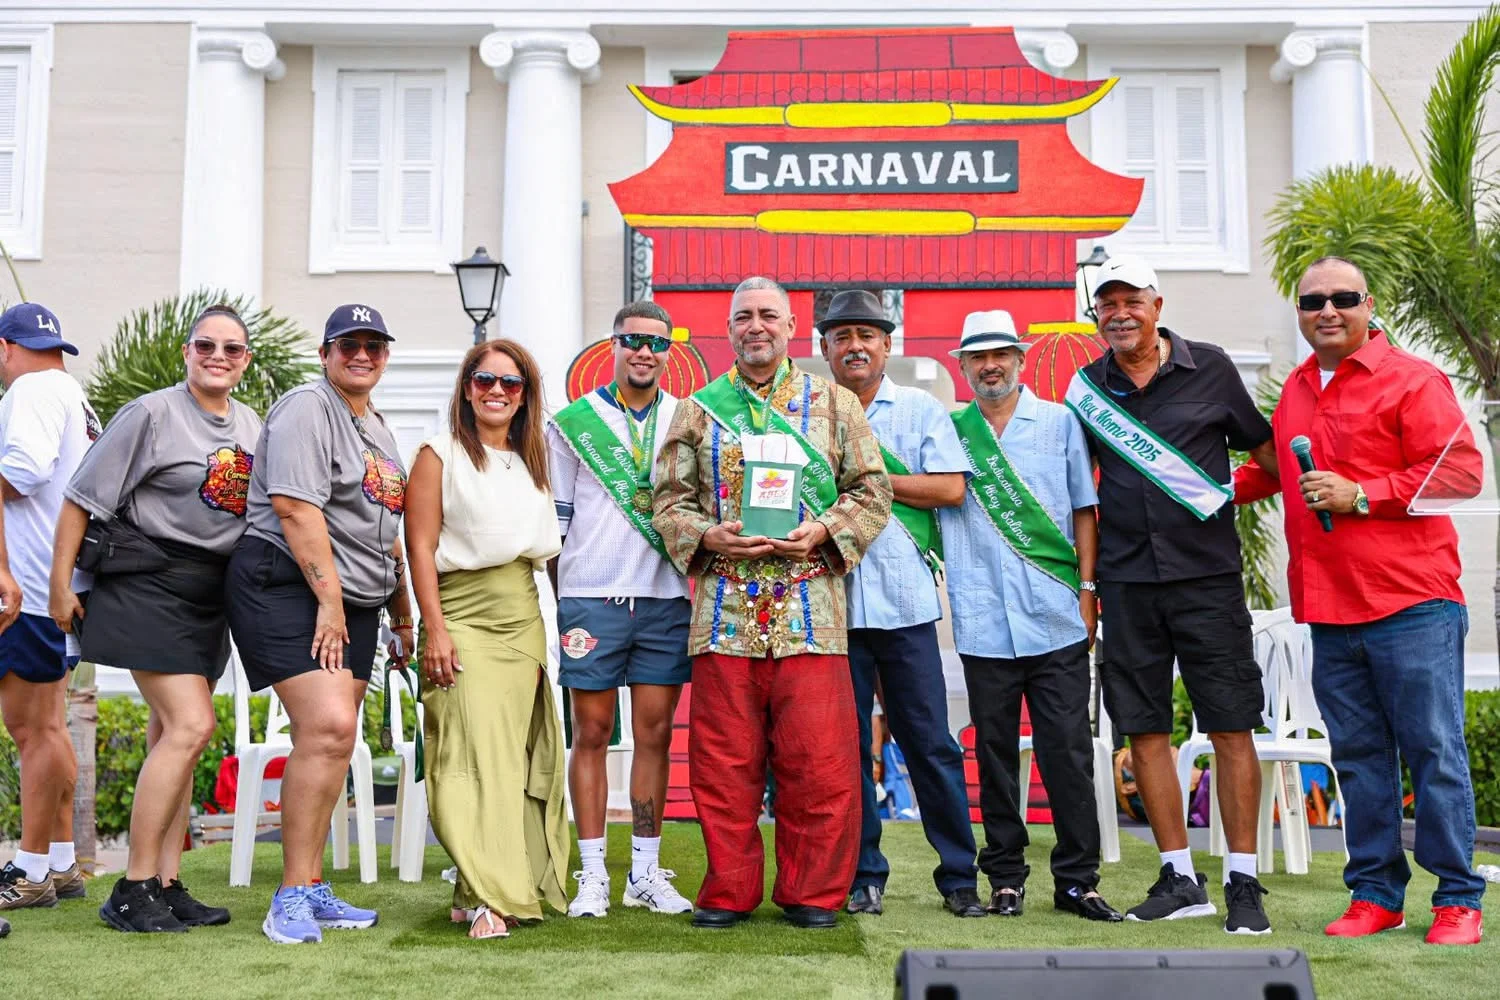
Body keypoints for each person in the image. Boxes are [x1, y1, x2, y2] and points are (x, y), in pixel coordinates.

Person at [1234, 256, 1486, 946]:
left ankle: (1458, 899)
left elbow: (1461, 472)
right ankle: (1376, 894)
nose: (1328, 310)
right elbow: (1274, 473)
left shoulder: (1413, 379)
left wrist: (1366, 494)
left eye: (1343, 298)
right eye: (1313, 300)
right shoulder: (1295, 391)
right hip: (1331, 608)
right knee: (1357, 757)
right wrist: (1194, 491)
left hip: (1412, 603)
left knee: (1433, 752)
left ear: (1367, 304)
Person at [653, 276, 891, 930]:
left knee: (819, 765)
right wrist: (707, 534)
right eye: (743, 317)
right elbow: (667, 502)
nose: (755, 326)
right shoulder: (698, 410)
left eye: (768, 316)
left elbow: (873, 492)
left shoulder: (835, 403)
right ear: (728, 331)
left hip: (813, 610)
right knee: (724, 769)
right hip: (724, 614)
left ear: (791, 328)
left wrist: (823, 530)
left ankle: (813, 893)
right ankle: (728, 893)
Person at [1065, 255, 1279, 934]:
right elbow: (1083, 498)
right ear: (1096, 314)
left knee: (1230, 724)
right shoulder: (1086, 388)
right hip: (1128, 584)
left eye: (1132, 300)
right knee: (1145, 728)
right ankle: (1180, 877)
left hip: (1207, 580)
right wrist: (1089, 585)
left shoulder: (1210, 368)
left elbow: (1265, 460)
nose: (1119, 313)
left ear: (1157, 304)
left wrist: (1218, 495)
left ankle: (1243, 881)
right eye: (1107, 304)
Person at [50, 305, 260, 933]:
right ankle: (132, 887)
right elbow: (80, 500)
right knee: (192, 725)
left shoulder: (250, 423)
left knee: (173, 736)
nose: (217, 356)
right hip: (148, 582)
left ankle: (167, 882)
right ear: (187, 352)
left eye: (231, 348)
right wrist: (60, 586)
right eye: (205, 346)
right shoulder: (150, 414)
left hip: (208, 593)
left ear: (245, 361)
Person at [225, 304, 413, 945]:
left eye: (375, 345)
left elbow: (386, 531)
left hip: (357, 597)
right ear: (326, 353)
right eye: (349, 345)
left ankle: (309, 884)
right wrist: (330, 604)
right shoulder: (308, 406)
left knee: (334, 740)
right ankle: (289, 897)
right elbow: (295, 509)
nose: (363, 355)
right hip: (287, 582)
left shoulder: (378, 426)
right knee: (328, 726)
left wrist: (402, 611)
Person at [940, 310, 1122, 923]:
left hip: (1056, 614)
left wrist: (1089, 588)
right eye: (977, 357)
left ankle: (1077, 880)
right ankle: (1006, 878)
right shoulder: (949, 430)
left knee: (1066, 751)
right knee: (992, 753)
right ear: (962, 366)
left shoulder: (1059, 424)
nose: (990, 366)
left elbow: (1084, 508)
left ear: (1019, 359)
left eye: (1001, 354)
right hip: (982, 617)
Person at [815, 289, 982, 919]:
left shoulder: (917, 409)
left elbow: (949, 488)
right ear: (824, 347)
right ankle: (864, 875)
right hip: (830, 608)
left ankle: (959, 877)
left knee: (930, 743)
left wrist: (867, 481)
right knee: (846, 748)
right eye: (842, 336)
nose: (855, 346)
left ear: (888, 344)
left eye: (868, 334)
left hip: (907, 604)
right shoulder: (808, 412)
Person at [405, 338, 568, 941]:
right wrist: (435, 630)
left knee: (510, 759)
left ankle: (473, 886)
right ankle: (488, 897)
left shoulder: (534, 459)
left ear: (526, 395)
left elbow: (541, 552)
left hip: (523, 617)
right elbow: (417, 547)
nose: (496, 392)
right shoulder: (437, 453)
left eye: (511, 383)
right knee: (467, 756)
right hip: (461, 615)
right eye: (484, 380)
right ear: (466, 387)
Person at [547, 302, 693, 918]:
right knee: (592, 734)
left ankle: (644, 870)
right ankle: (591, 876)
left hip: (666, 596)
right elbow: (556, 522)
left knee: (655, 735)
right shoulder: (571, 423)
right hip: (592, 597)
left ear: (668, 355)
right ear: (613, 346)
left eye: (656, 344)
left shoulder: (687, 420)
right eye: (633, 341)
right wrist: (568, 597)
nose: (644, 352)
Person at [0, 303, 97, 917]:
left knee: (31, 731)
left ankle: (32, 869)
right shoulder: (72, 391)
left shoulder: (32, 389)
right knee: (49, 728)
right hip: (58, 588)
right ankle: (59, 862)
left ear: (6, 348)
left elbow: (23, 472)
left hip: (31, 587)